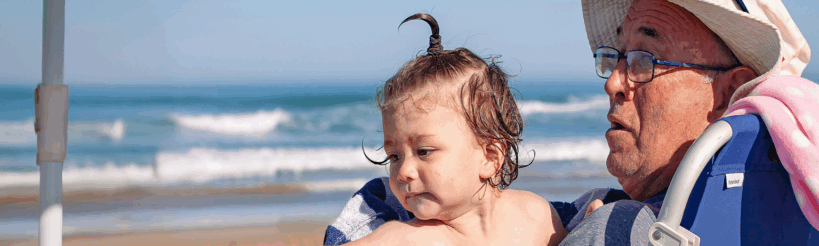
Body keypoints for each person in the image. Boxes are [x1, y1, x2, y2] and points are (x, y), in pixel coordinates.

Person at [324, 0, 814, 245]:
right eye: (615, 57)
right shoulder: (768, 207)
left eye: (644, 59)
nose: (614, 82)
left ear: (727, 91)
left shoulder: (619, 228)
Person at [339, 13, 566, 246]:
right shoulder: (403, 239)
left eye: (423, 151)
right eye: (394, 157)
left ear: (489, 157)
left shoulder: (535, 216)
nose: (403, 172)